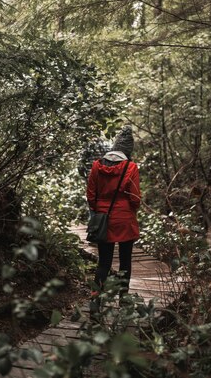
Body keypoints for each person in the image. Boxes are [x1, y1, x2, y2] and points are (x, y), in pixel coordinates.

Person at [86, 126, 141, 298]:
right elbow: (135, 198)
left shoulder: (96, 166)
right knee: (125, 262)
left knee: (103, 262)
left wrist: (98, 211)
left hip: (103, 220)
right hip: (125, 220)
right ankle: (124, 302)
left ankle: (96, 303)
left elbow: (91, 195)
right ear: (128, 151)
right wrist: (130, 211)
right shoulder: (131, 168)